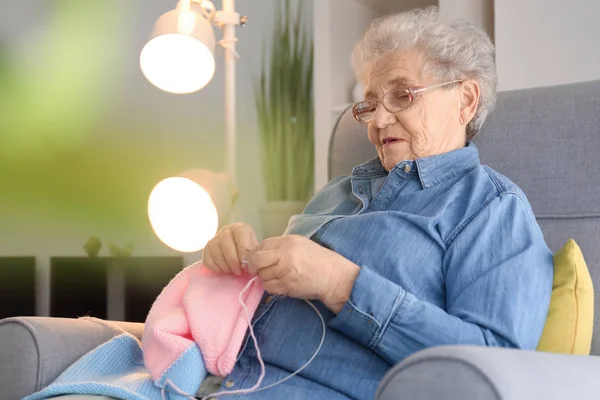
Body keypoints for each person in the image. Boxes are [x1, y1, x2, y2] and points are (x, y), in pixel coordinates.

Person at [200, 6, 553, 400]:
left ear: (466, 100)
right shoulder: (337, 191)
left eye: (402, 95)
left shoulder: (491, 209)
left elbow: (492, 372)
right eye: (370, 104)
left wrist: (338, 282)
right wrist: (236, 260)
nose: (379, 121)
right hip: (202, 377)